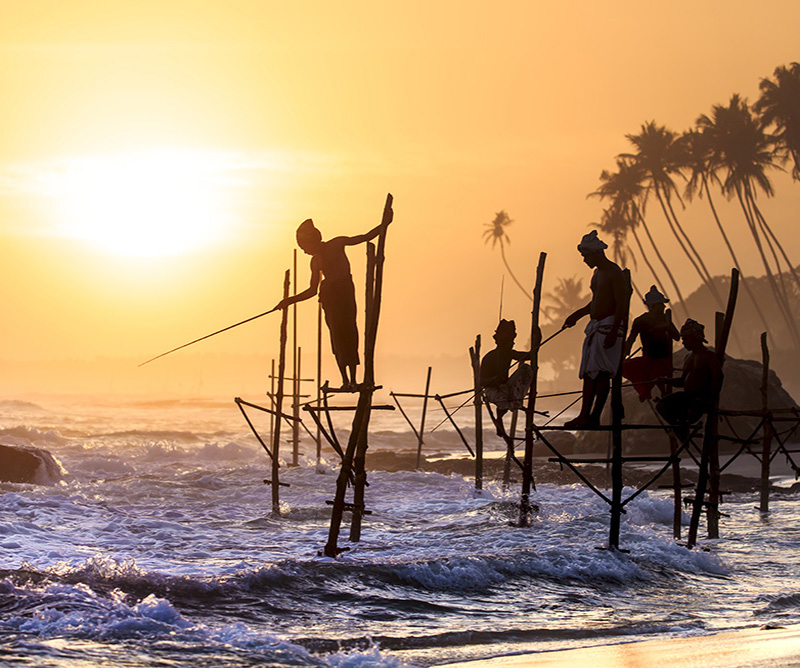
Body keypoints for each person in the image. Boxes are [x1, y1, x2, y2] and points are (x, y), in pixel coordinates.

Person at [274, 217, 388, 390]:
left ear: (314, 241)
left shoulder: (337, 243)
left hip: (344, 293)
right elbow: (312, 290)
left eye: (305, 247)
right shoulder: (315, 261)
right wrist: (289, 301)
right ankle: (345, 381)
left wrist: (385, 224)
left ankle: (353, 379)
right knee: (336, 337)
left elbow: (365, 237)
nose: (305, 252)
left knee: (349, 332)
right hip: (330, 298)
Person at [562, 231, 629, 429]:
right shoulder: (597, 273)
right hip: (597, 327)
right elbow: (596, 301)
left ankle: (594, 416)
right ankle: (584, 415)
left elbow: (621, 304)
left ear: (596, 253)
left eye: (586, 256)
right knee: (590, 373)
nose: (584, 260)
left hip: (609, 327)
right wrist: (577, 314)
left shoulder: (614, 272)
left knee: (601, 374)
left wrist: (614, 330)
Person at [656, 318, 724, 426]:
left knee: (688, 412)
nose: (683, 342)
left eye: (685, 339)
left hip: (701, 398)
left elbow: (718, 377)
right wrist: (667, 381)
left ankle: (681, 426)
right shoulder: (688, 358)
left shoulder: (709, 356)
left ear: (696, 338)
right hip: (687, 397)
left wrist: (710, 399)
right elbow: (683, 381)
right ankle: (679, 427)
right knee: (661, 405)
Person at [622, 285, 680, 401]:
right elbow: (631, 339)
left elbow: (677, 337)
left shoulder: (665, 319)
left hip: (664, 360)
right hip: (648, 359)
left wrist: (667, 327)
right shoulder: (641, 321)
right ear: (653, 306)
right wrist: (623, 354)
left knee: (660, 375)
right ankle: (645, 391)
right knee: (625, 367)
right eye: (660, 305)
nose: (663, 307)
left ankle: (662, 392)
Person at [480, 319, 537, 436]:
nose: (512, 343)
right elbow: (481, 381)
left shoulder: (510, 353)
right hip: (492, 389)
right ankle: (499, 418)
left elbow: (529, 356)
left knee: (526, 369)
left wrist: (537, 343)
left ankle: (515, 400)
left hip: (506, 386)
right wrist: (494, 380)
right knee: (503, 400)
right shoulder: (489, 357)